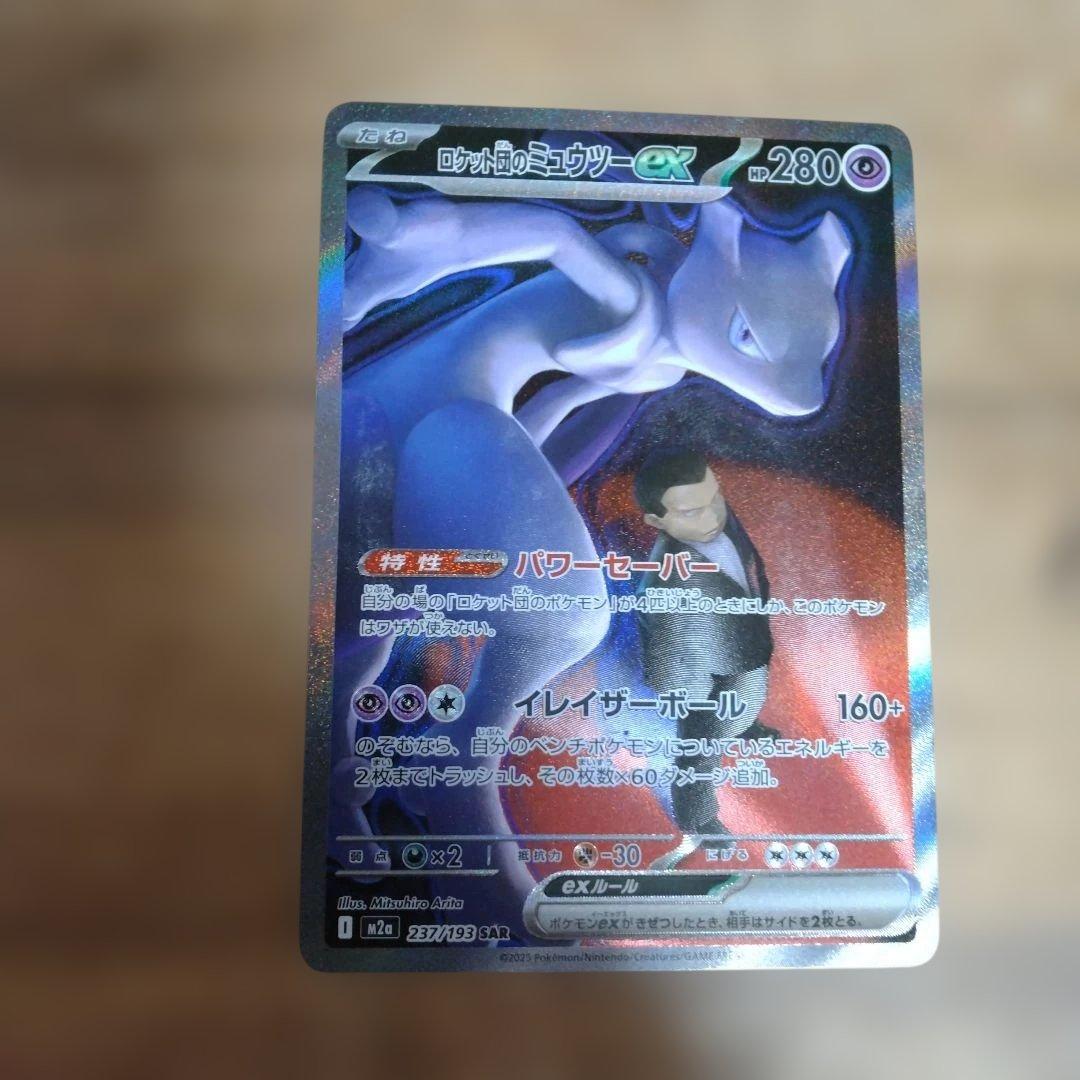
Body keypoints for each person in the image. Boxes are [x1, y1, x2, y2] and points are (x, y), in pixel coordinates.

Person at [634, 448, 778, 846]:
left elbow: (746, 563)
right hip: (703, 677)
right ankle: (698, 818)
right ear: (656, 521)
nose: (713, 516)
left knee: (747, 694)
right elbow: (672, 657)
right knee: (700, 744)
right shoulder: (663, 585)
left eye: (715, 498)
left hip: (743, 643)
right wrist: (694, 705)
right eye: (692, 512)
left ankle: (745, 723)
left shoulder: (721, 523)